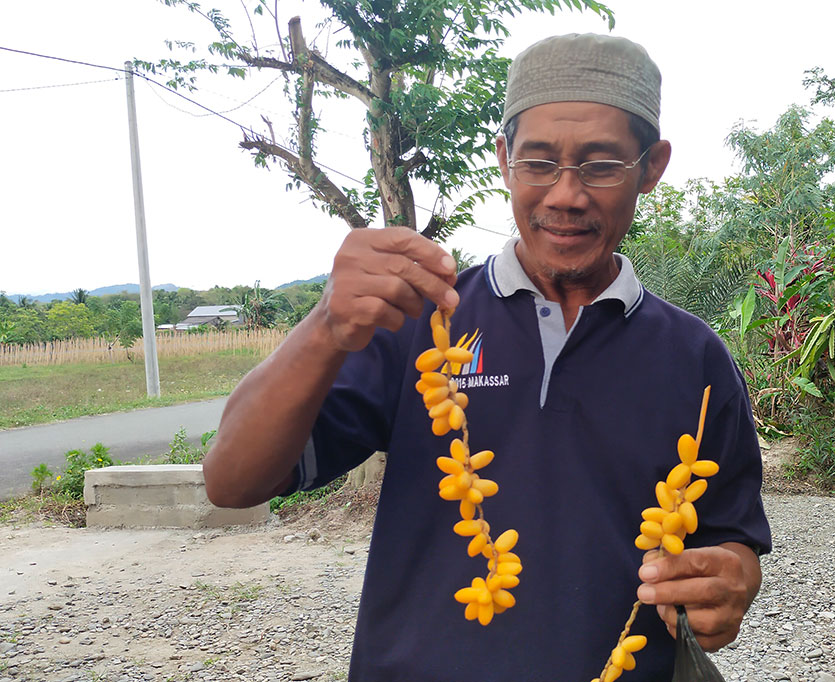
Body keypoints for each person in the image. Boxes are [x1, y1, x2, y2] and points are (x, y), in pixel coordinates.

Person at [203, 33, 771, 681]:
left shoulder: (695, 359)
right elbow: (231, 482)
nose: (566, 193)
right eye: (538, 162)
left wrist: (731, 583)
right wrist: (326, 324)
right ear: (504, 160)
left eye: (601, 164)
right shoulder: (419, 321)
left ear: (652, 166)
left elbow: (732, 538)